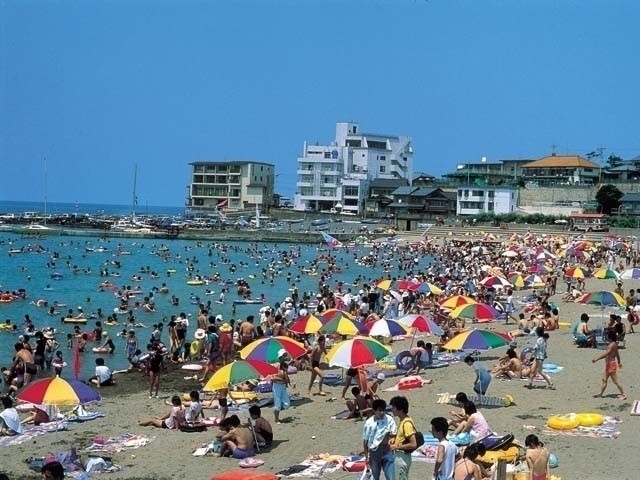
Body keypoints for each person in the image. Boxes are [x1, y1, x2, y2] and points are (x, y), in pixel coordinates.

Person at [362, 398, 396, 480]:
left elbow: (394, 434)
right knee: (376, 476)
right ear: (374, 411)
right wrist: (366, 457)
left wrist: (392, 440)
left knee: (391, 477)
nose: (382, 413)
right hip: (374, 452)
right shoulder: (369, 423)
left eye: (383, 410)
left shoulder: (389, 419)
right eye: (379, 410)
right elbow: (365, 441)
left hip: (387, 451)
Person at [592, 330, 627, 400]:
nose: (606, 338)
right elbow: (617, 354)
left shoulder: (611, 345)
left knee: (616, 381)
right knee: (604, 379)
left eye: (607, 336)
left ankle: (624, 394)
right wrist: (619, 362)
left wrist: (596, 359)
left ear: (610, 337)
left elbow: (606, 354)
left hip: (611, 365)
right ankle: (601, 394)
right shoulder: (614, 344)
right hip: (609, 364)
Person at [388, 396, 416, 480]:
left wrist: (396, 446)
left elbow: (413, 444)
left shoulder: (406, 424)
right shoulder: (403, 421)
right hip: (400, 457)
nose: (392, 409)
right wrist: (395, 440)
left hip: (402, 457)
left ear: (400, 409)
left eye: (393, 407)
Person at [270, 348, 291, 424]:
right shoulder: (276, 366)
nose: (285, 357)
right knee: (277, 403)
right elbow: (272, 377)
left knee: (287, 404)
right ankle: (276, 419)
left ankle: (277, 409)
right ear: (280, 357)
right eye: (284, 355)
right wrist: (282, 380)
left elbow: (286, 376)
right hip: (277, 386)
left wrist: (288, 382)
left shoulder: (285, 366)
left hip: (283, 386)